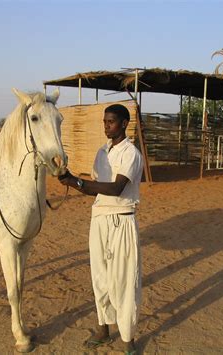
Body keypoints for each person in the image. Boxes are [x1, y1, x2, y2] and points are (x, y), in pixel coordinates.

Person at [58, 104, 143, 354]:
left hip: (122, 219)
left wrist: (80, 182)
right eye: (105, 121)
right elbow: (91, 188)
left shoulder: (131, 153)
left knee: (124, 281)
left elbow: (116, 189)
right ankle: (104, 330)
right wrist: (68, 178)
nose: (106, 126)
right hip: (99, 220)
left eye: (111, 122)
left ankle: (128, 340)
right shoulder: (101, 152)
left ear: (124, 123)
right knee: (100, 277)